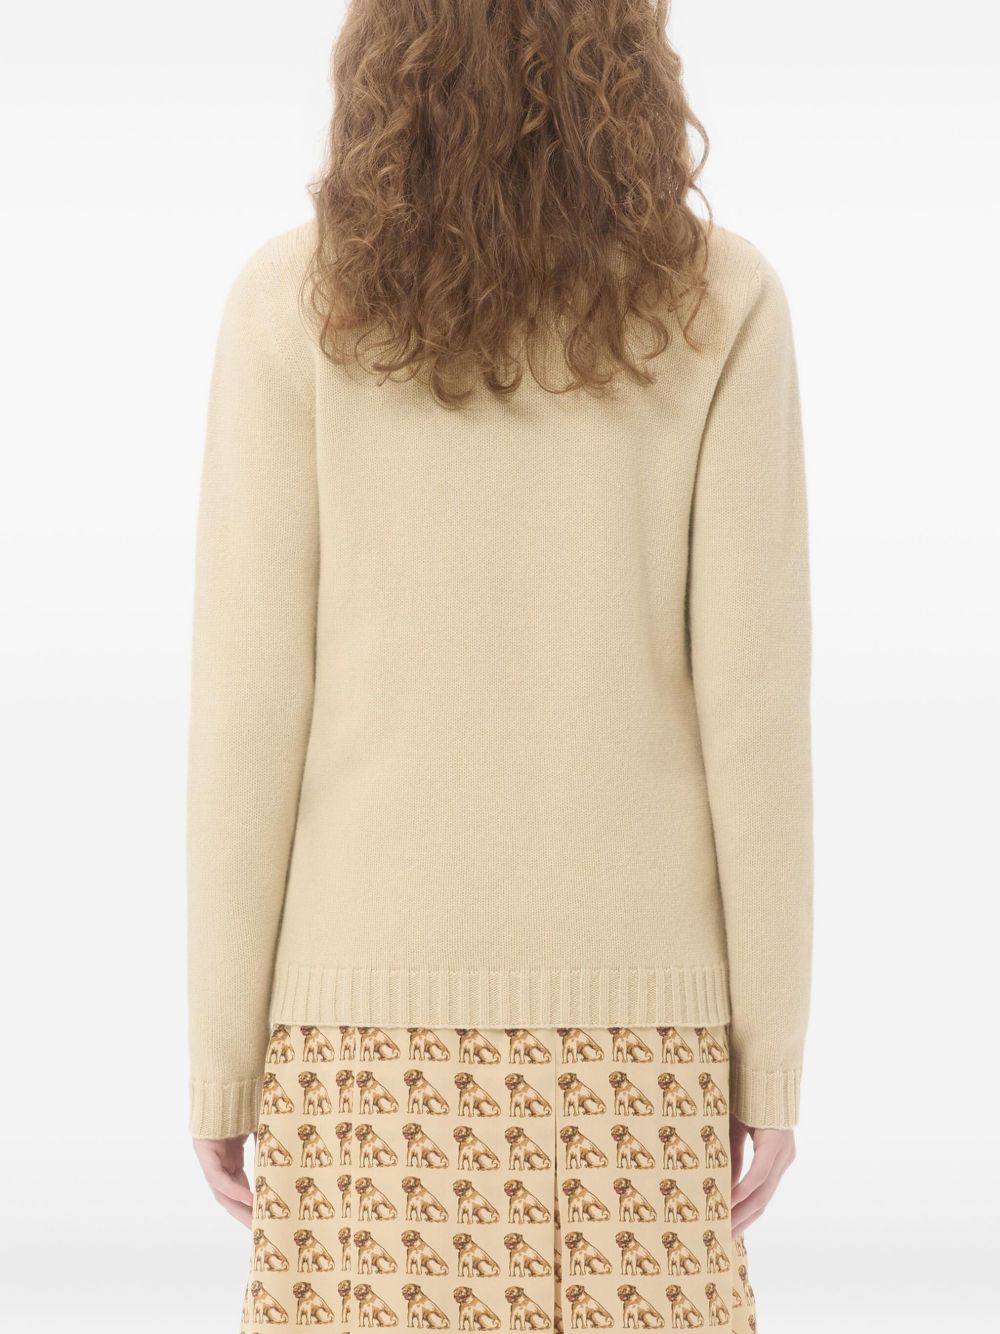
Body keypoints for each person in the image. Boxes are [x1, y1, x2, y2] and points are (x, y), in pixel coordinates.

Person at [186, 2, 812, 1329]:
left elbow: (247, 710)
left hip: (360, 1053)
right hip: (643, 1051)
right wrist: (770, 1060)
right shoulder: (721, 303)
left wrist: (223, 1062)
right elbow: (756, 714)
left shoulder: (293, 305)